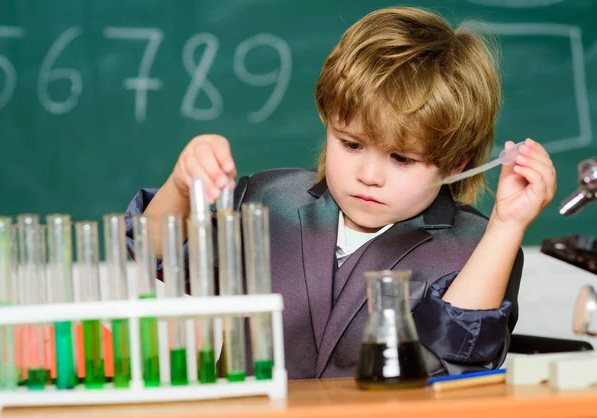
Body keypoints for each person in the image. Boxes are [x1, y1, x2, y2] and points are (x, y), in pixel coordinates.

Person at [124, 6, 556, 379]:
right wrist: (182, 187)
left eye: (401, 158)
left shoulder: (477, 248)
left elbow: (461, 354)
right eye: (351, 144)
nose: (369, 174)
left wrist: (505, 226)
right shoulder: (266, 200)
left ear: (457, 162)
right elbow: (151, 261)